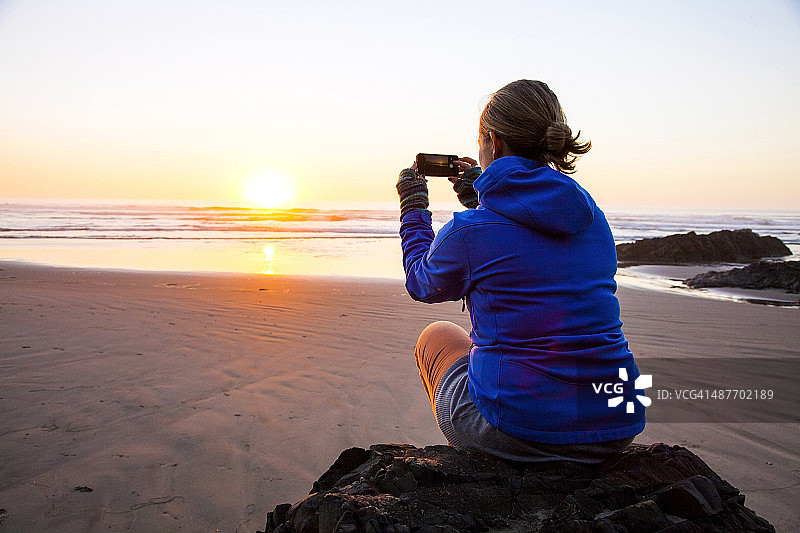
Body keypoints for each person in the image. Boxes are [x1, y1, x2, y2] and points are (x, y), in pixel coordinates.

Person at [395, 80, 645, 463]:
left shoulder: (469, 233)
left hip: (520, 429)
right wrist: (480, 195)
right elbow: (525, 239)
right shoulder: (591, 217)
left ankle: (484, 462)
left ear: (493, 143)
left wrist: (413, 208)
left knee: (438, 336)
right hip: (617, 422)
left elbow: (421, 282)